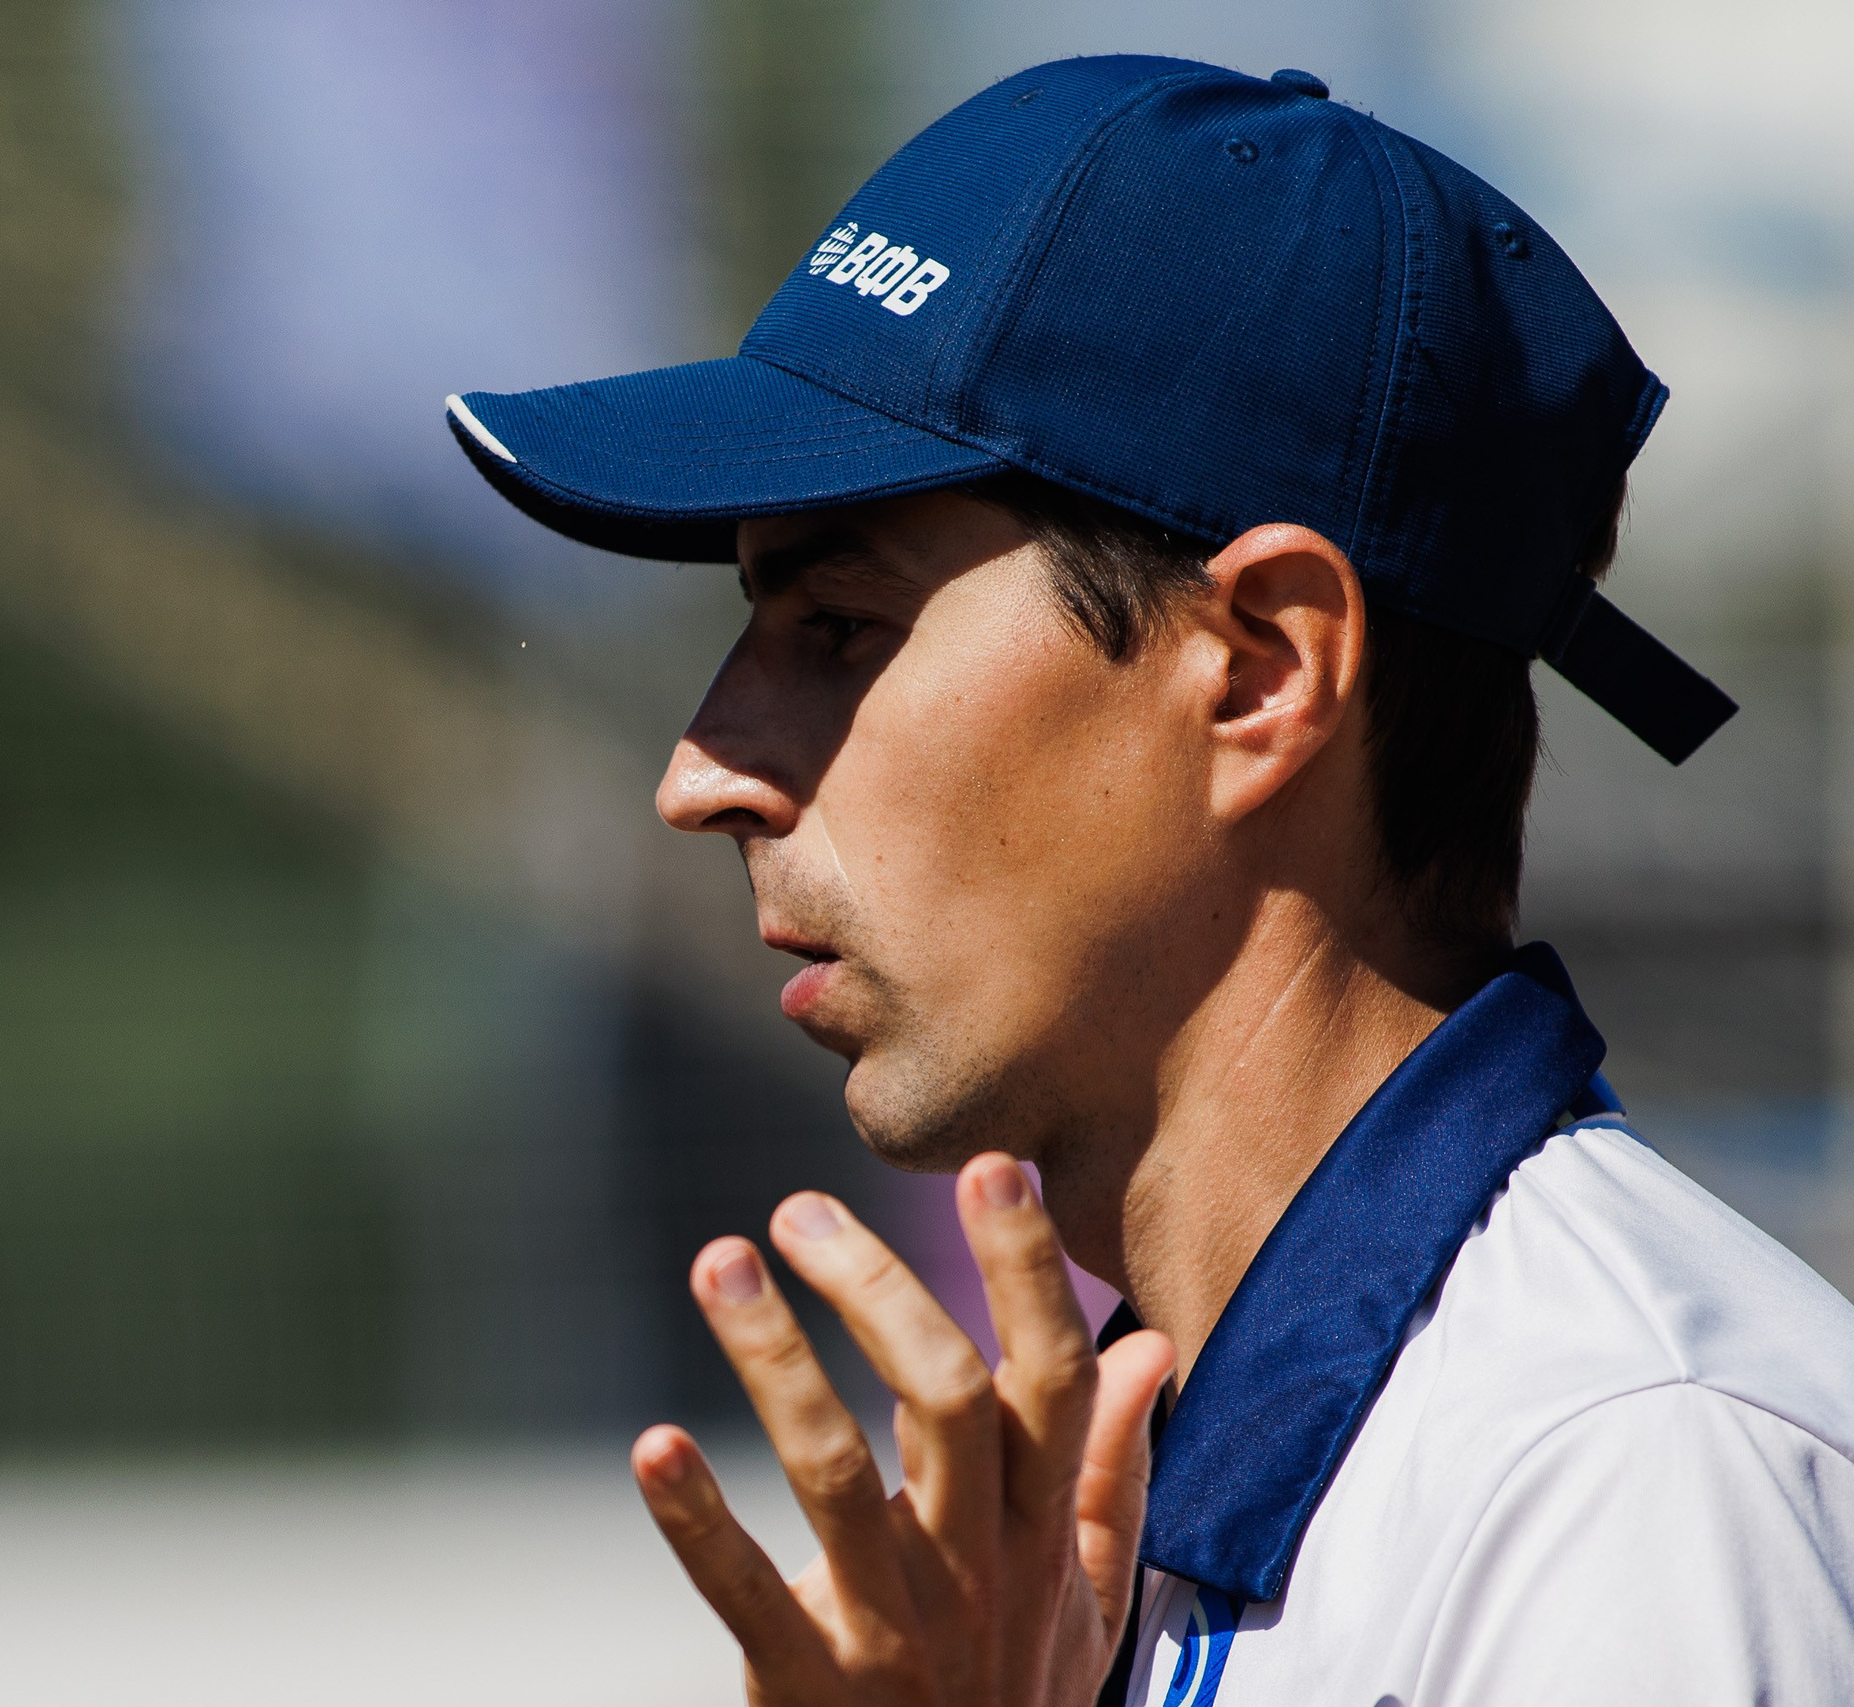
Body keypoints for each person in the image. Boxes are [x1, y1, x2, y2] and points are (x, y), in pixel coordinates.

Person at [443, 54, 1854, 1707]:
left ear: (1261, 671)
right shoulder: (1150, 1507)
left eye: (840, 629)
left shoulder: (1628, 1475)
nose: (700, 774)